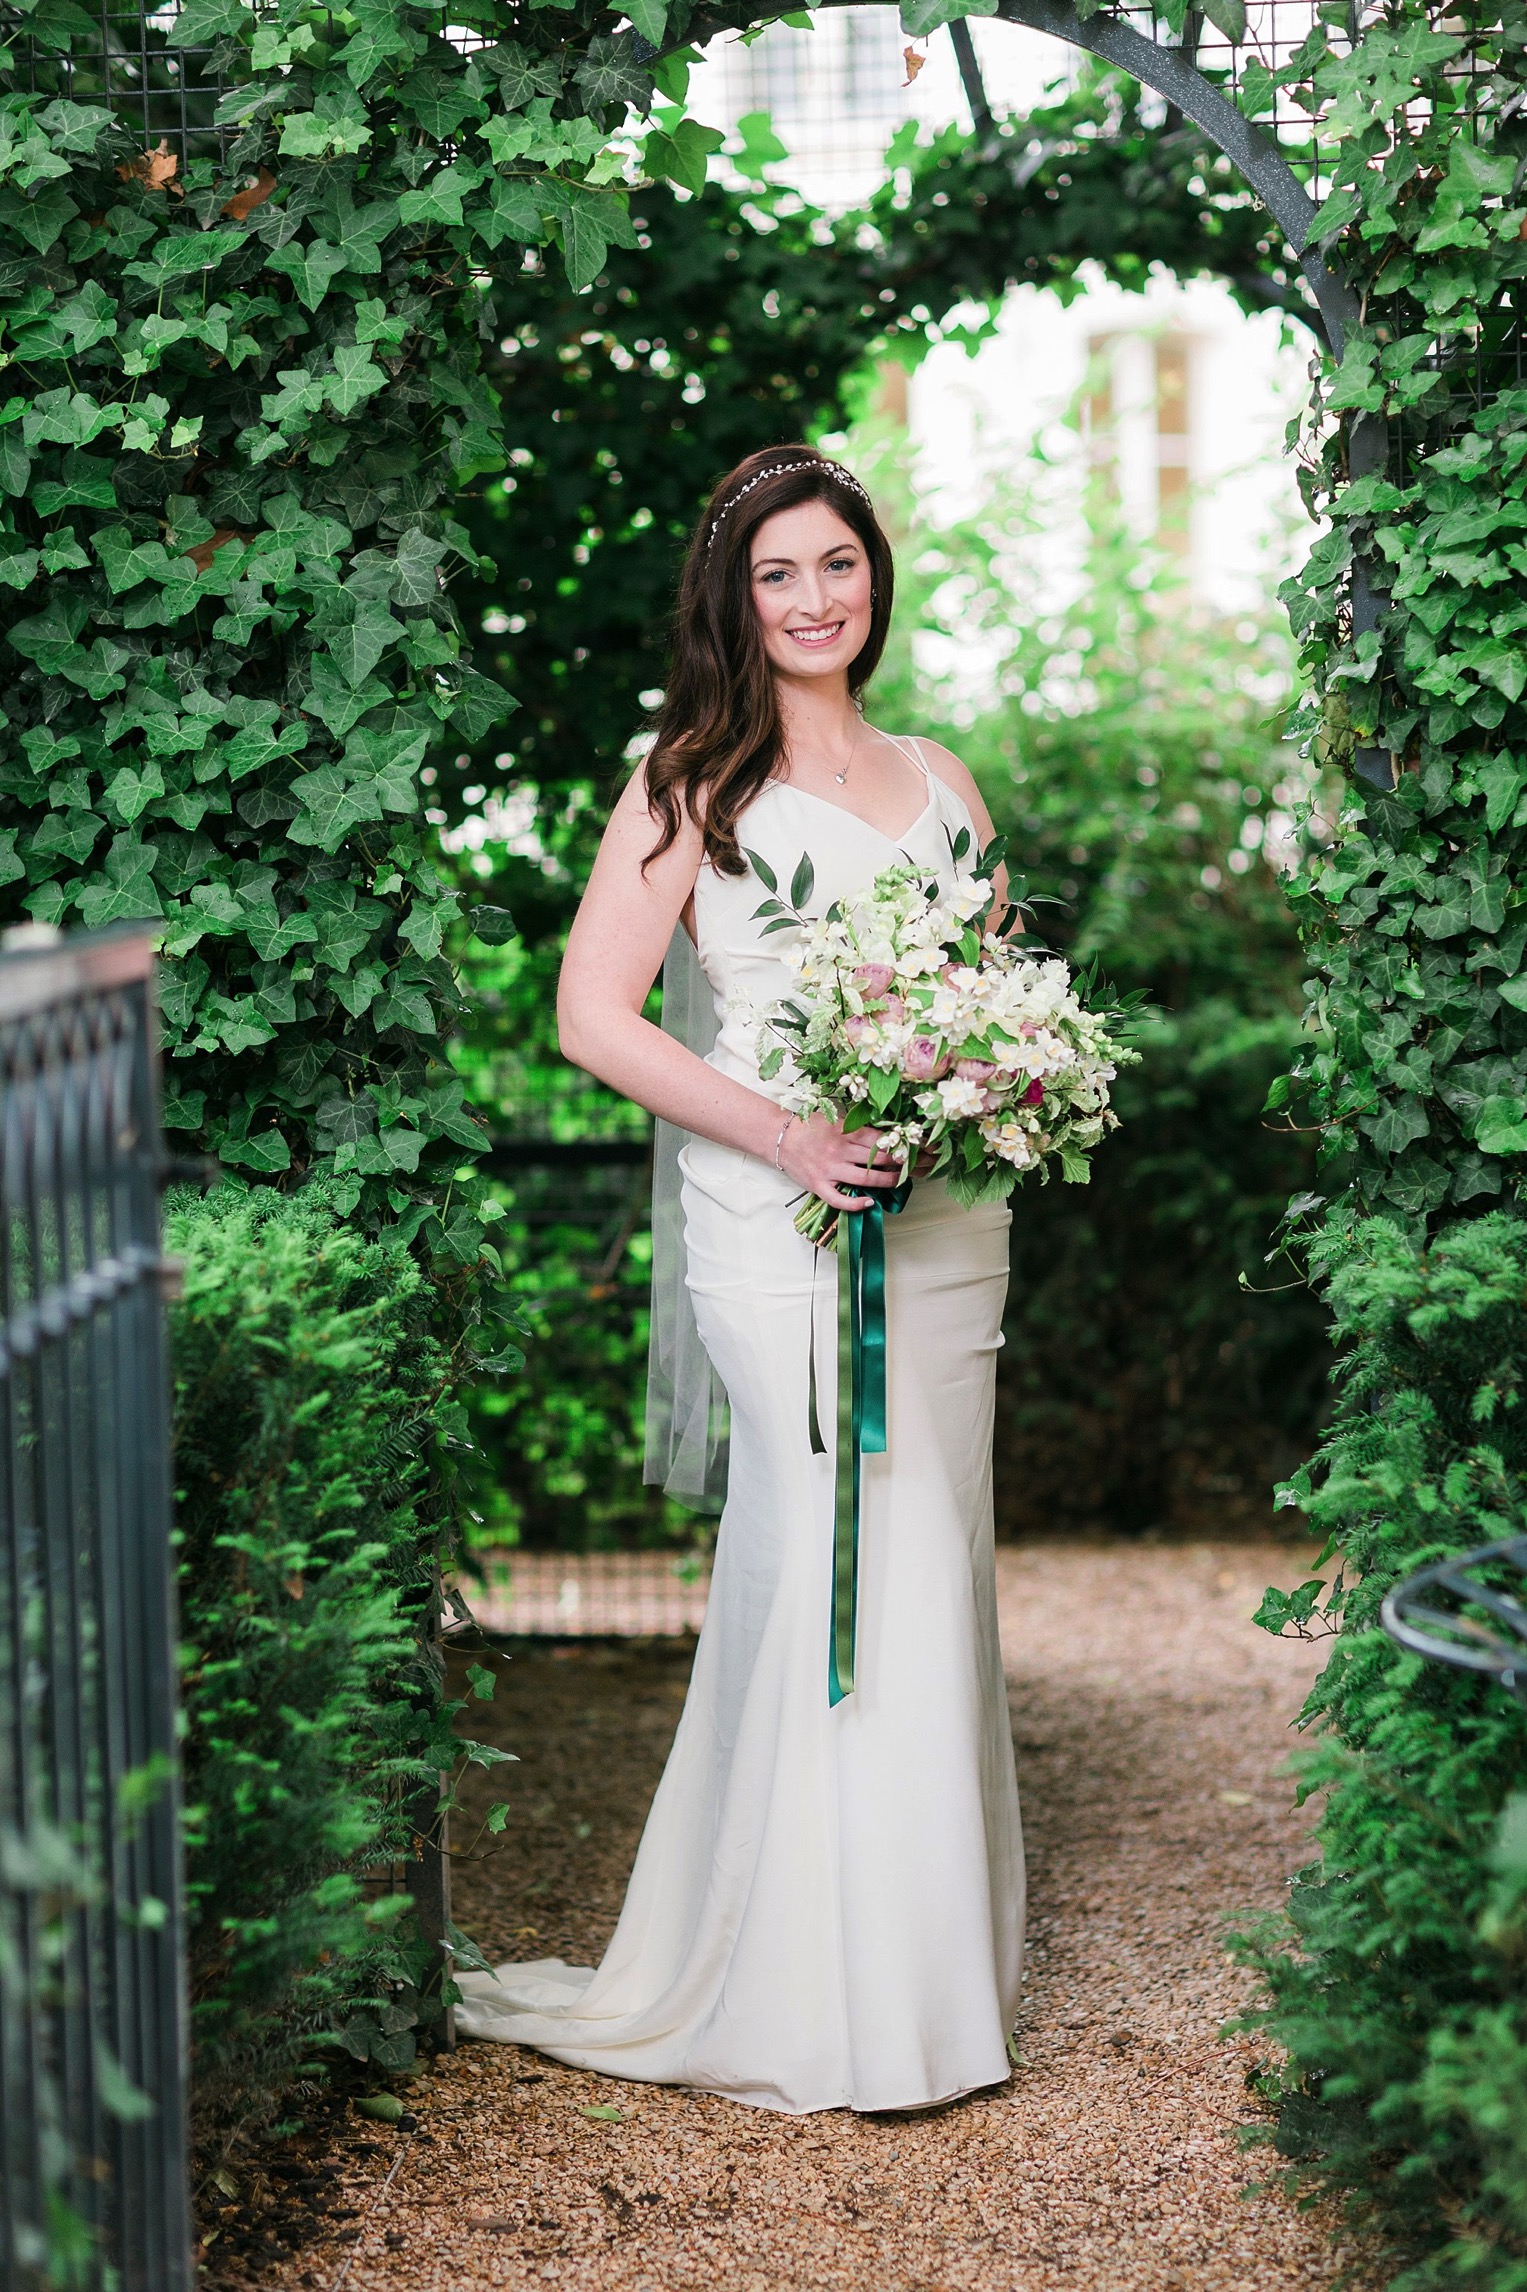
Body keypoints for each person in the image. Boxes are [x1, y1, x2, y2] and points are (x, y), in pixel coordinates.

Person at [454, 446, 1025, 2115]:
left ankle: (926, 1976)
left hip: (944, 1226)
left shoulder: (944, 776)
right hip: (775, 1231)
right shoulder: (692, 783)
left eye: (836, 564)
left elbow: (990, 993)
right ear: (734, 597)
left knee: (944, 1552)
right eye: (779, 574)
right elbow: (592, 1018)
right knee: (846, 1532)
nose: (813, 599)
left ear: (873, 576)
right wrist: (788, 1135)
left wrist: (995, 1081)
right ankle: (805, 1996)